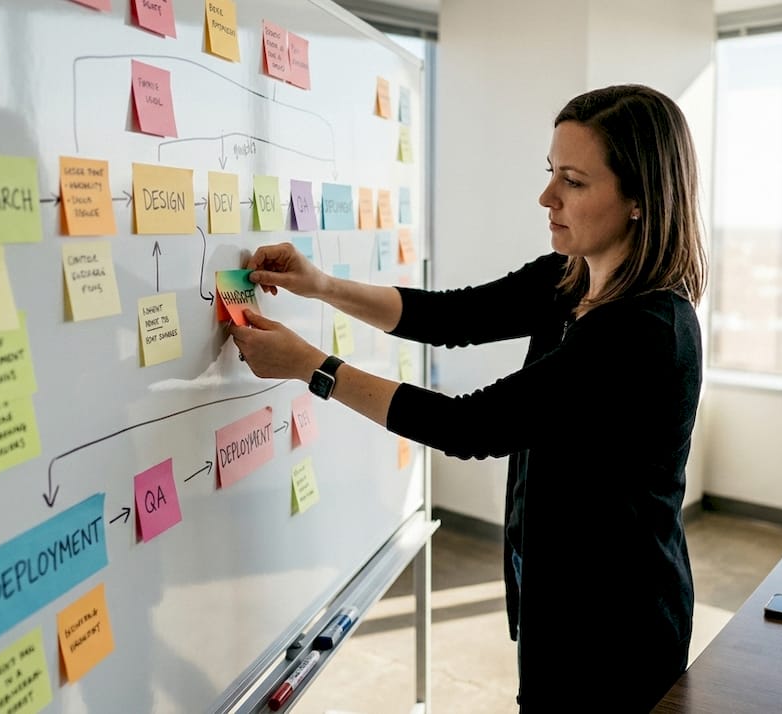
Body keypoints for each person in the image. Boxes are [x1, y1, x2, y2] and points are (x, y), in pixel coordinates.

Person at [230, 83, 706, 713]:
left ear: (641, 199)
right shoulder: (568, 278)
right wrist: (321, 285)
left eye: (573, 181)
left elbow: (472, 426)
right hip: (555, 599)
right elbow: (448, 318)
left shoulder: (645, 332)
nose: (547, 197)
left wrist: (313, 368)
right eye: (550, 173)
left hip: (617, 625)